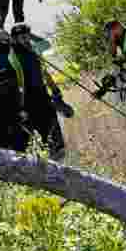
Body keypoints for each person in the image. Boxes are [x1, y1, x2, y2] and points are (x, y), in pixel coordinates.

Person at [9, 23, 75, 160]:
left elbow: (46, 46)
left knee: (54, 136)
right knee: (37, 141)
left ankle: (59, 158)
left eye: (27, 36)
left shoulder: (34, 49)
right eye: (22, 37)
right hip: (27, 102)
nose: (26, 39)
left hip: (43, 97)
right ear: (14, 39)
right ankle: (47, 163)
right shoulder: (12, 56)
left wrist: (55, 91)